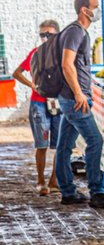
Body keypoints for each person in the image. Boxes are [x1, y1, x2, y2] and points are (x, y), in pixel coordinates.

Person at [55, 0, 104, 208]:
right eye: (95, 6)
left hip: (71, 98)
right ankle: (97, 193)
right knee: (95, 141)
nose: (97, 10)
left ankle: (68, 193)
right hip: (74, 99)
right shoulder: (75, 32)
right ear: (84, 10)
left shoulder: (77, 32)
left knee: (64, 147)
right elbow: (66, 64)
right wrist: (79, 93)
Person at [12, 20, 62, 196]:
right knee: (42, 144)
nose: (45, 38)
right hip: (39, 103)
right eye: (42, 34)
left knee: (60, 144)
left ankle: (54, 180)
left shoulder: (63, 53)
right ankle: (41, 181)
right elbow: (16, 72)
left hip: (59, 102)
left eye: (49, 34)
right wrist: (32, 85)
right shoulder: (35, 53)